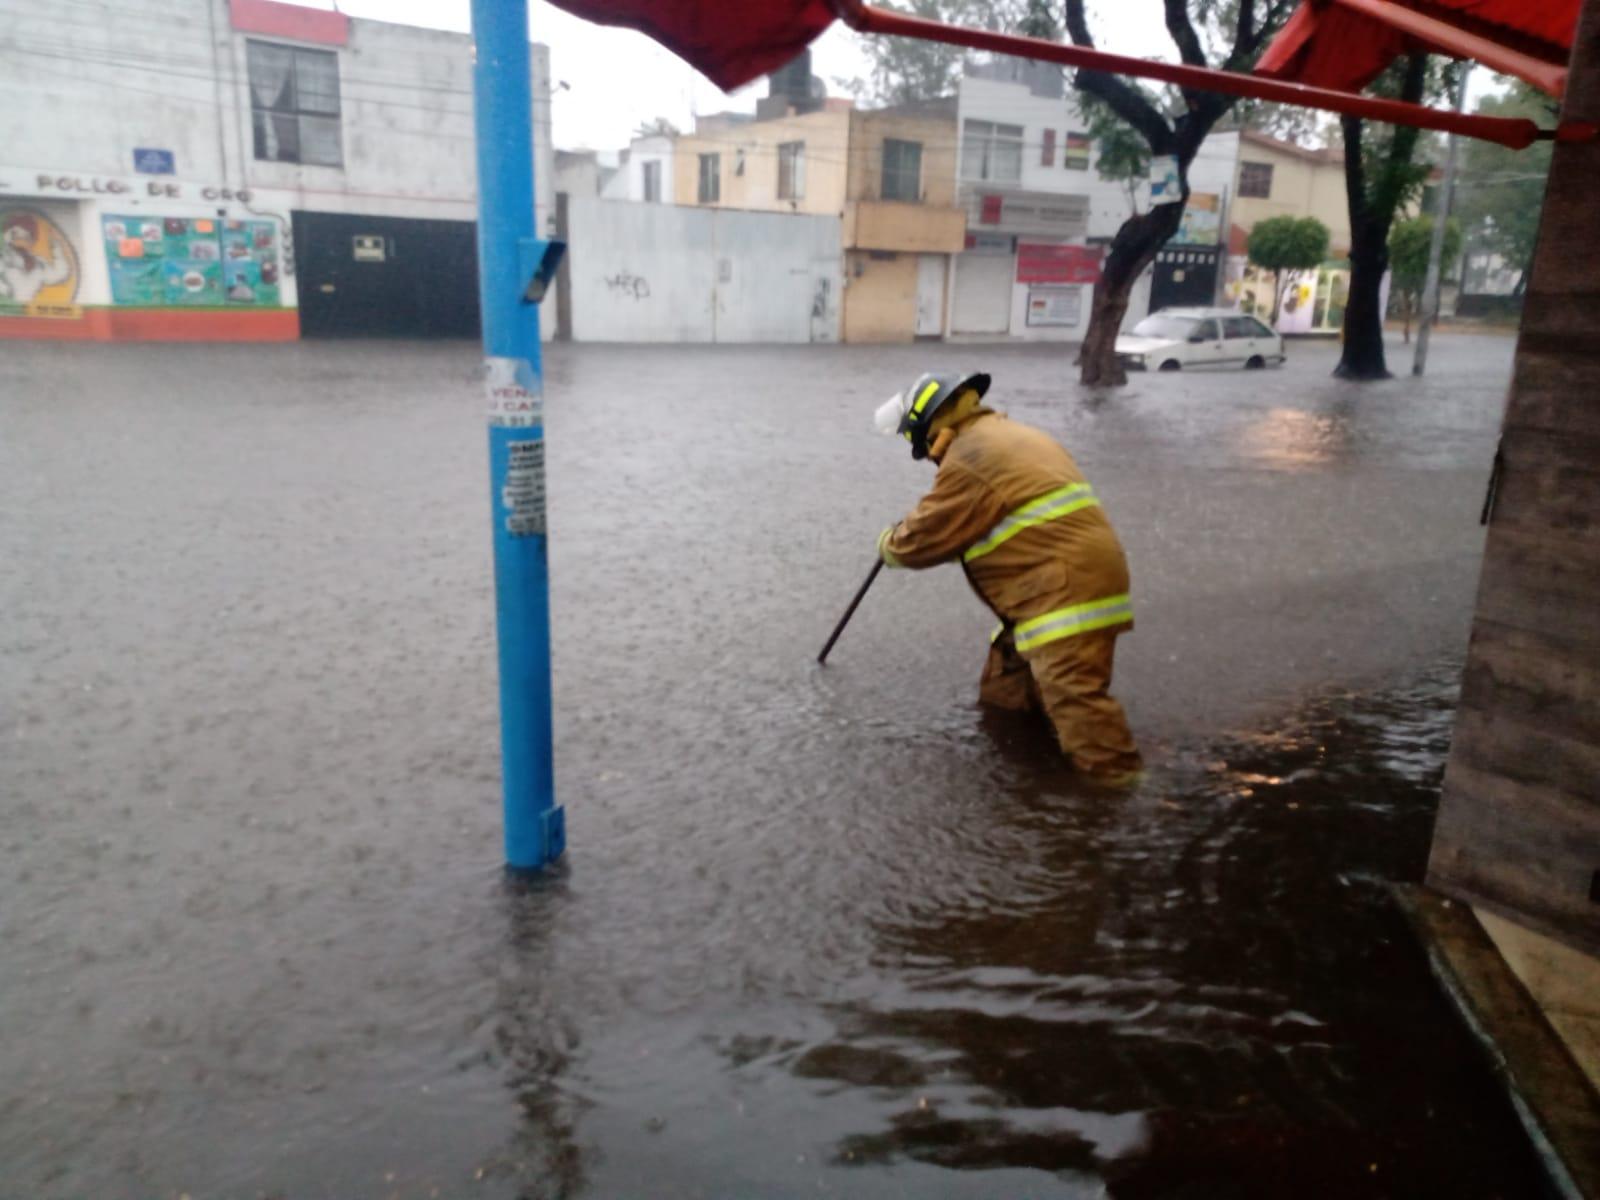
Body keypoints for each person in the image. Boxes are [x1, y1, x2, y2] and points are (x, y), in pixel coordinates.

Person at [873, 371, 1142, 785]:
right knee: (1005, 693)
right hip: (1055, 588)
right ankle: (1031, 775)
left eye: (922, 445)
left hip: (1061, 595)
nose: (928, 457)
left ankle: (1116, 805)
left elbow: (924, 537)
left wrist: (890, 545)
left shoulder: (971, 456)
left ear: (931, 428)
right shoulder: (1004, 435)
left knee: (1077, 704)